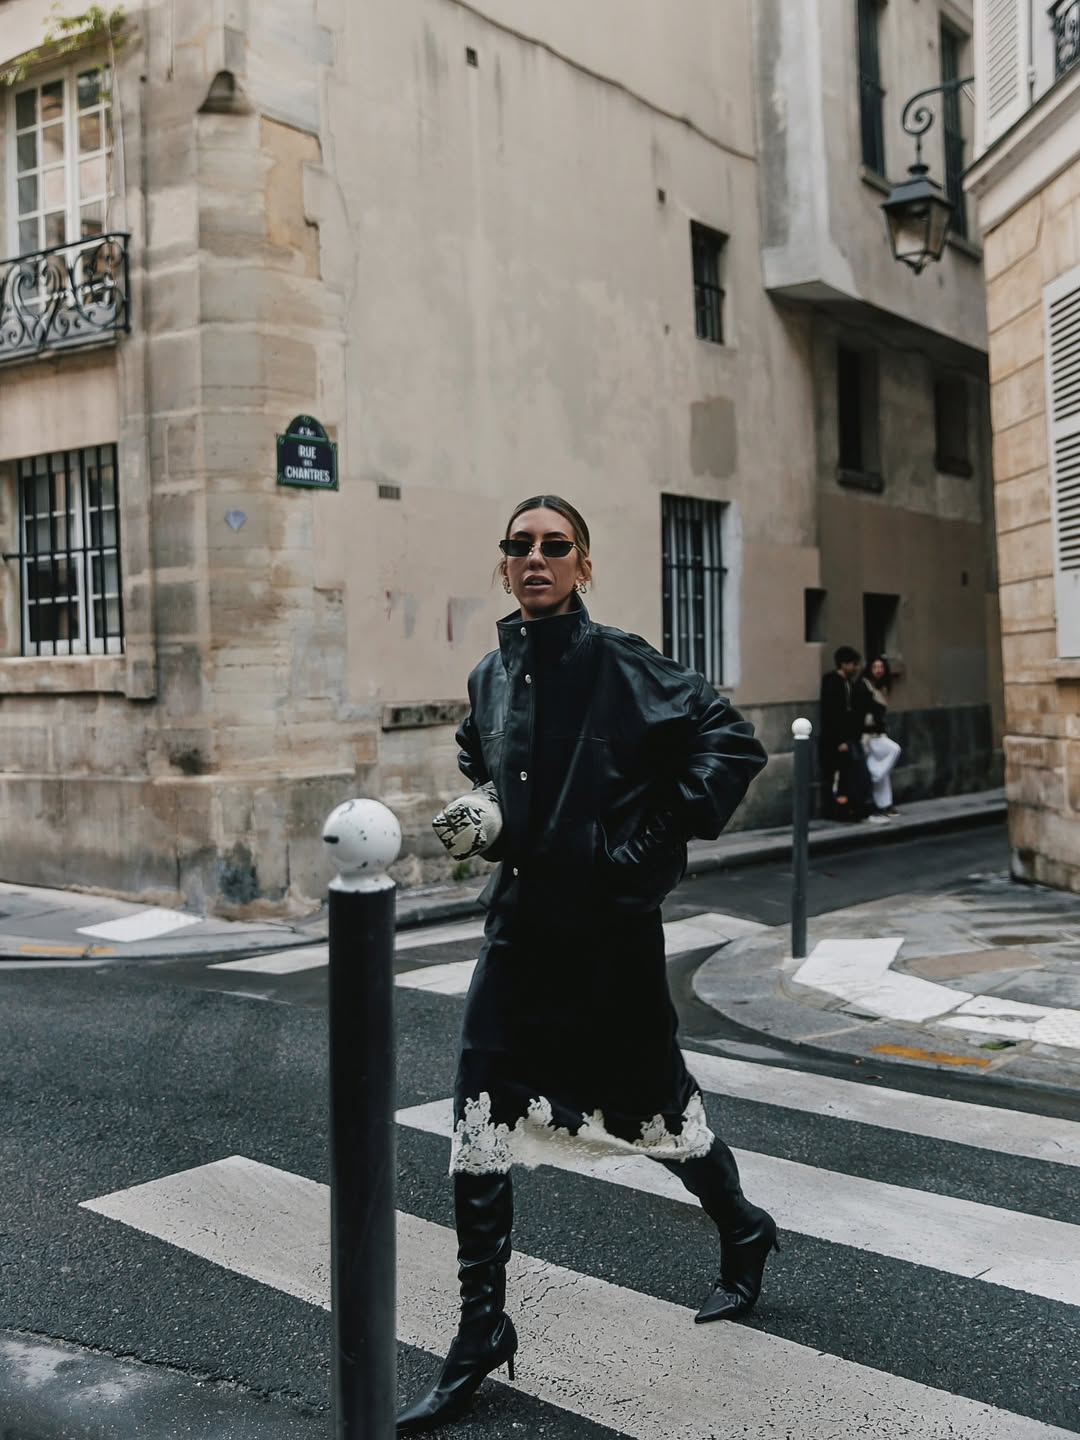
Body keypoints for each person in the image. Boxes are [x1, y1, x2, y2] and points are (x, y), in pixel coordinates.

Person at [397, 496, 772, 1434]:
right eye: (520, 545)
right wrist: (488, 813)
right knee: (478, 1111)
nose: (536, 558)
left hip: (610, 935)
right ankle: (482, 1325)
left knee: (657, 1110)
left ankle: (742, 1225)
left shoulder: (622, 663)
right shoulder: (490, 673)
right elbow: (481, 754)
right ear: (504, 564)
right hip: (521, 928)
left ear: (582, 565)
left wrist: (638, 847)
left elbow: (730, 741)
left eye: (555, 546)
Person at [818, 646, 876, 822]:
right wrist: (840, 741)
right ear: (843, 664)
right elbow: (831, 714)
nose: (856, 668)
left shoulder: (850, 683)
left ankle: (851, 808)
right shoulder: (832, 682)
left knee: (851, 775)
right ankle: (837, 810)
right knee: (837, 776)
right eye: (853, 664)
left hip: (849, 737)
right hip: (836, 740)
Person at [861, 655, 901, 816]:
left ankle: (885, 804)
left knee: (883, 771)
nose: (878, 670)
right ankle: (873, 775)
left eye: (881, 667)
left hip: (878, 732)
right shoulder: (865, 686)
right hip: (867, 734)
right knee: (894, 750)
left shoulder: (882, 688)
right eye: (875, 667)